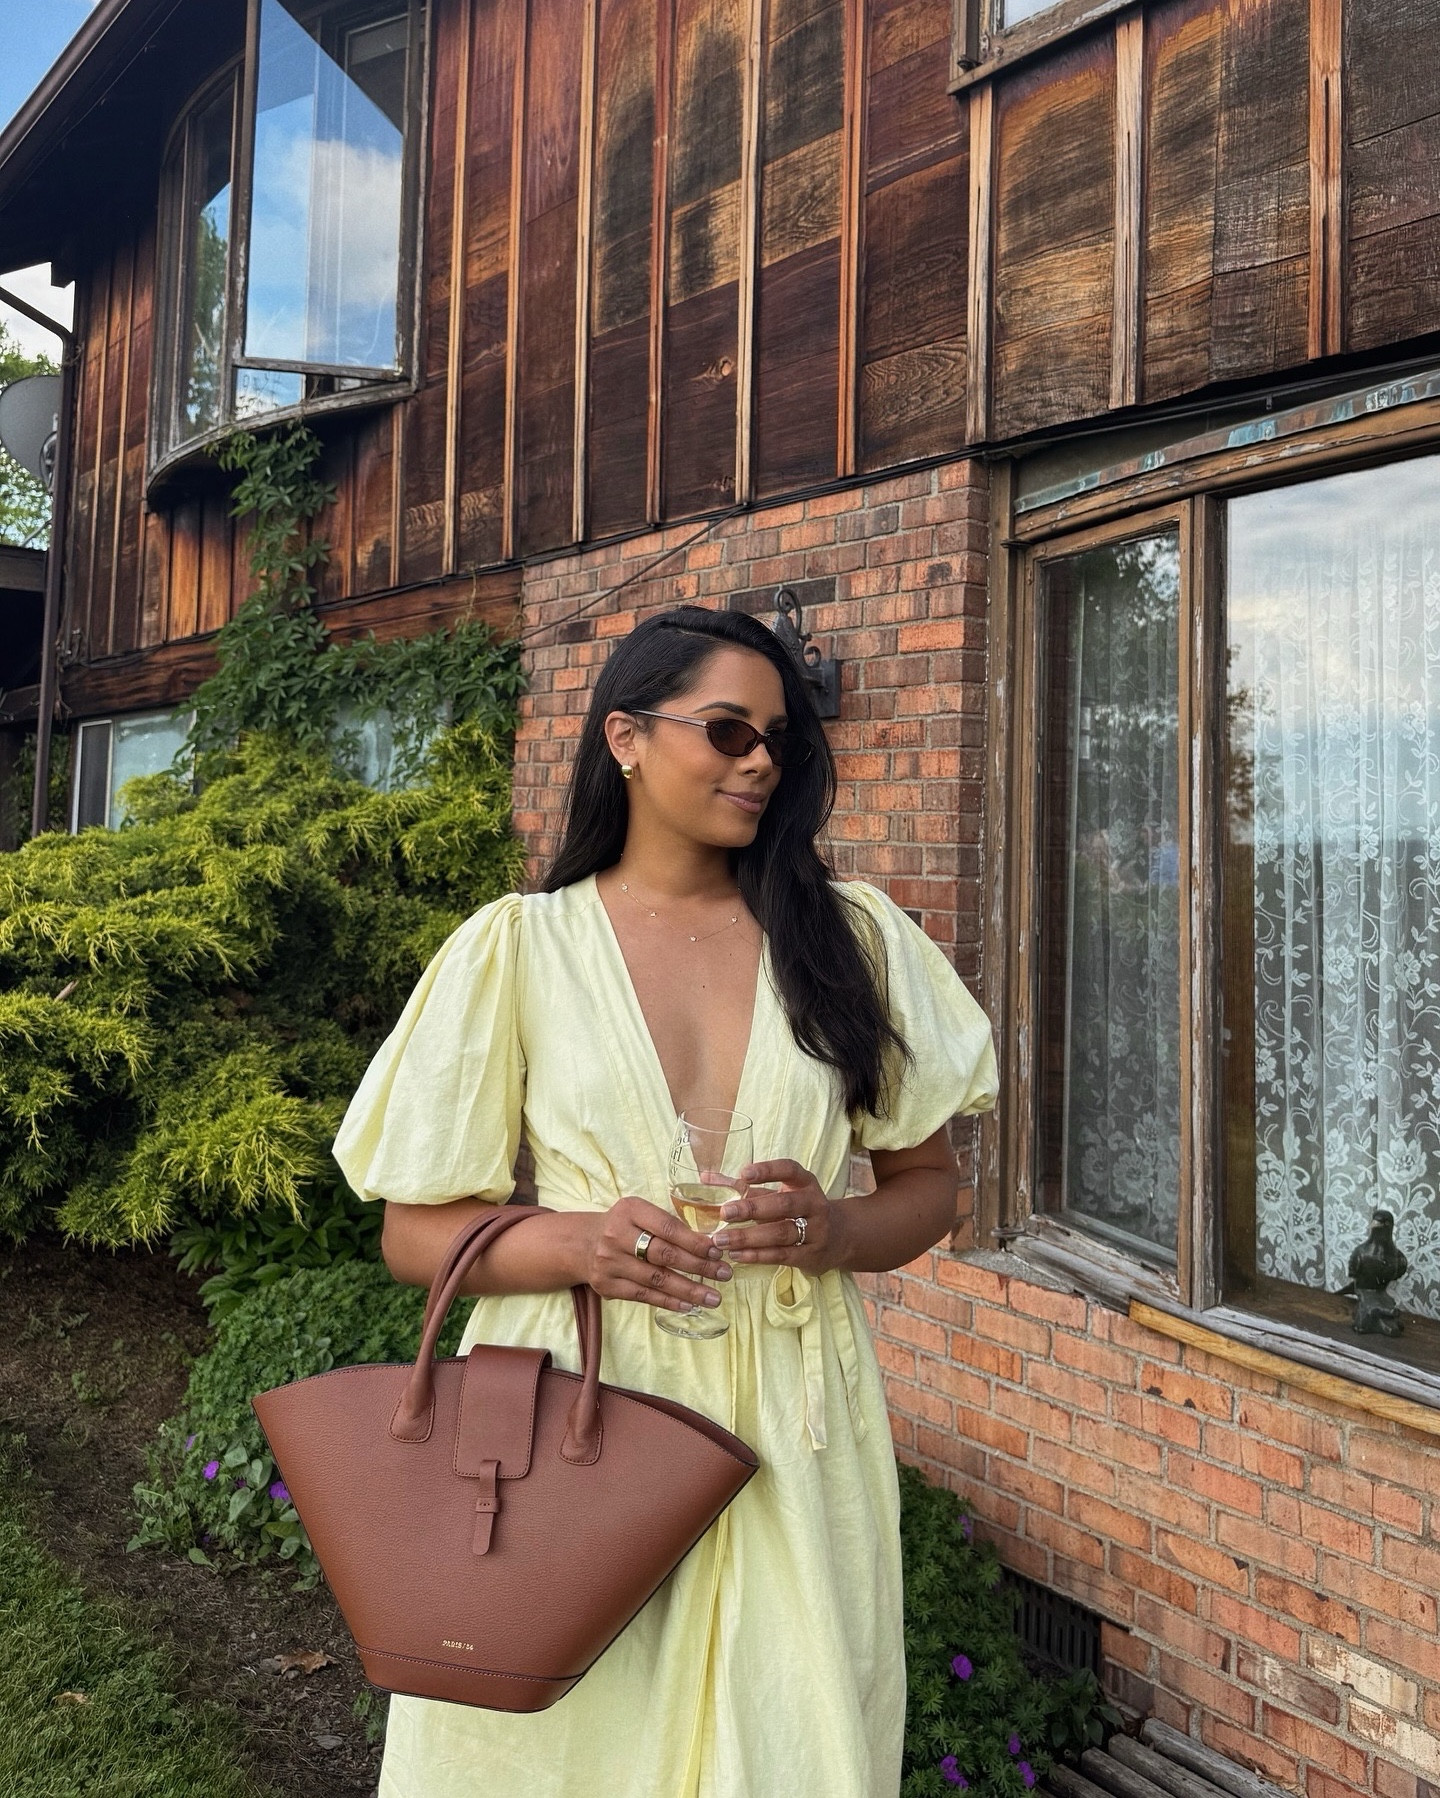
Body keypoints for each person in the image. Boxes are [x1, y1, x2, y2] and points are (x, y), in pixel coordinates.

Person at [333, 604, 997, 1798]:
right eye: (729, 730)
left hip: (794, 1423)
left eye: (779, 739)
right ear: (626, 737)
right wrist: (578, 1243)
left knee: (786, 1750)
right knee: (559, 1753)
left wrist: (835, 1229)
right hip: (571, 1417)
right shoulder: (518, 949)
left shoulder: (850, 939)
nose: (761, 762)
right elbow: (414, 1234)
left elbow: (929, 1188)